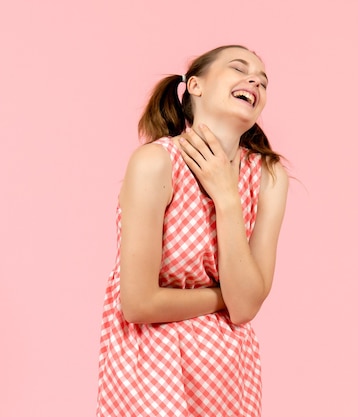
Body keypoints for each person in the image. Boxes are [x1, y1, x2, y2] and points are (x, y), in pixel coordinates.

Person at [96, 45, 289, 417]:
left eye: (263, 81)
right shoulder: (155, 163)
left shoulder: (268, 176)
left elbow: (246, 307)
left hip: (227, 374)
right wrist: (224, 299)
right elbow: (137, 304)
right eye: (239, 68)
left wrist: (226, 198)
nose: (255, 81)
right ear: (196, 86)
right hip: (150, 371)